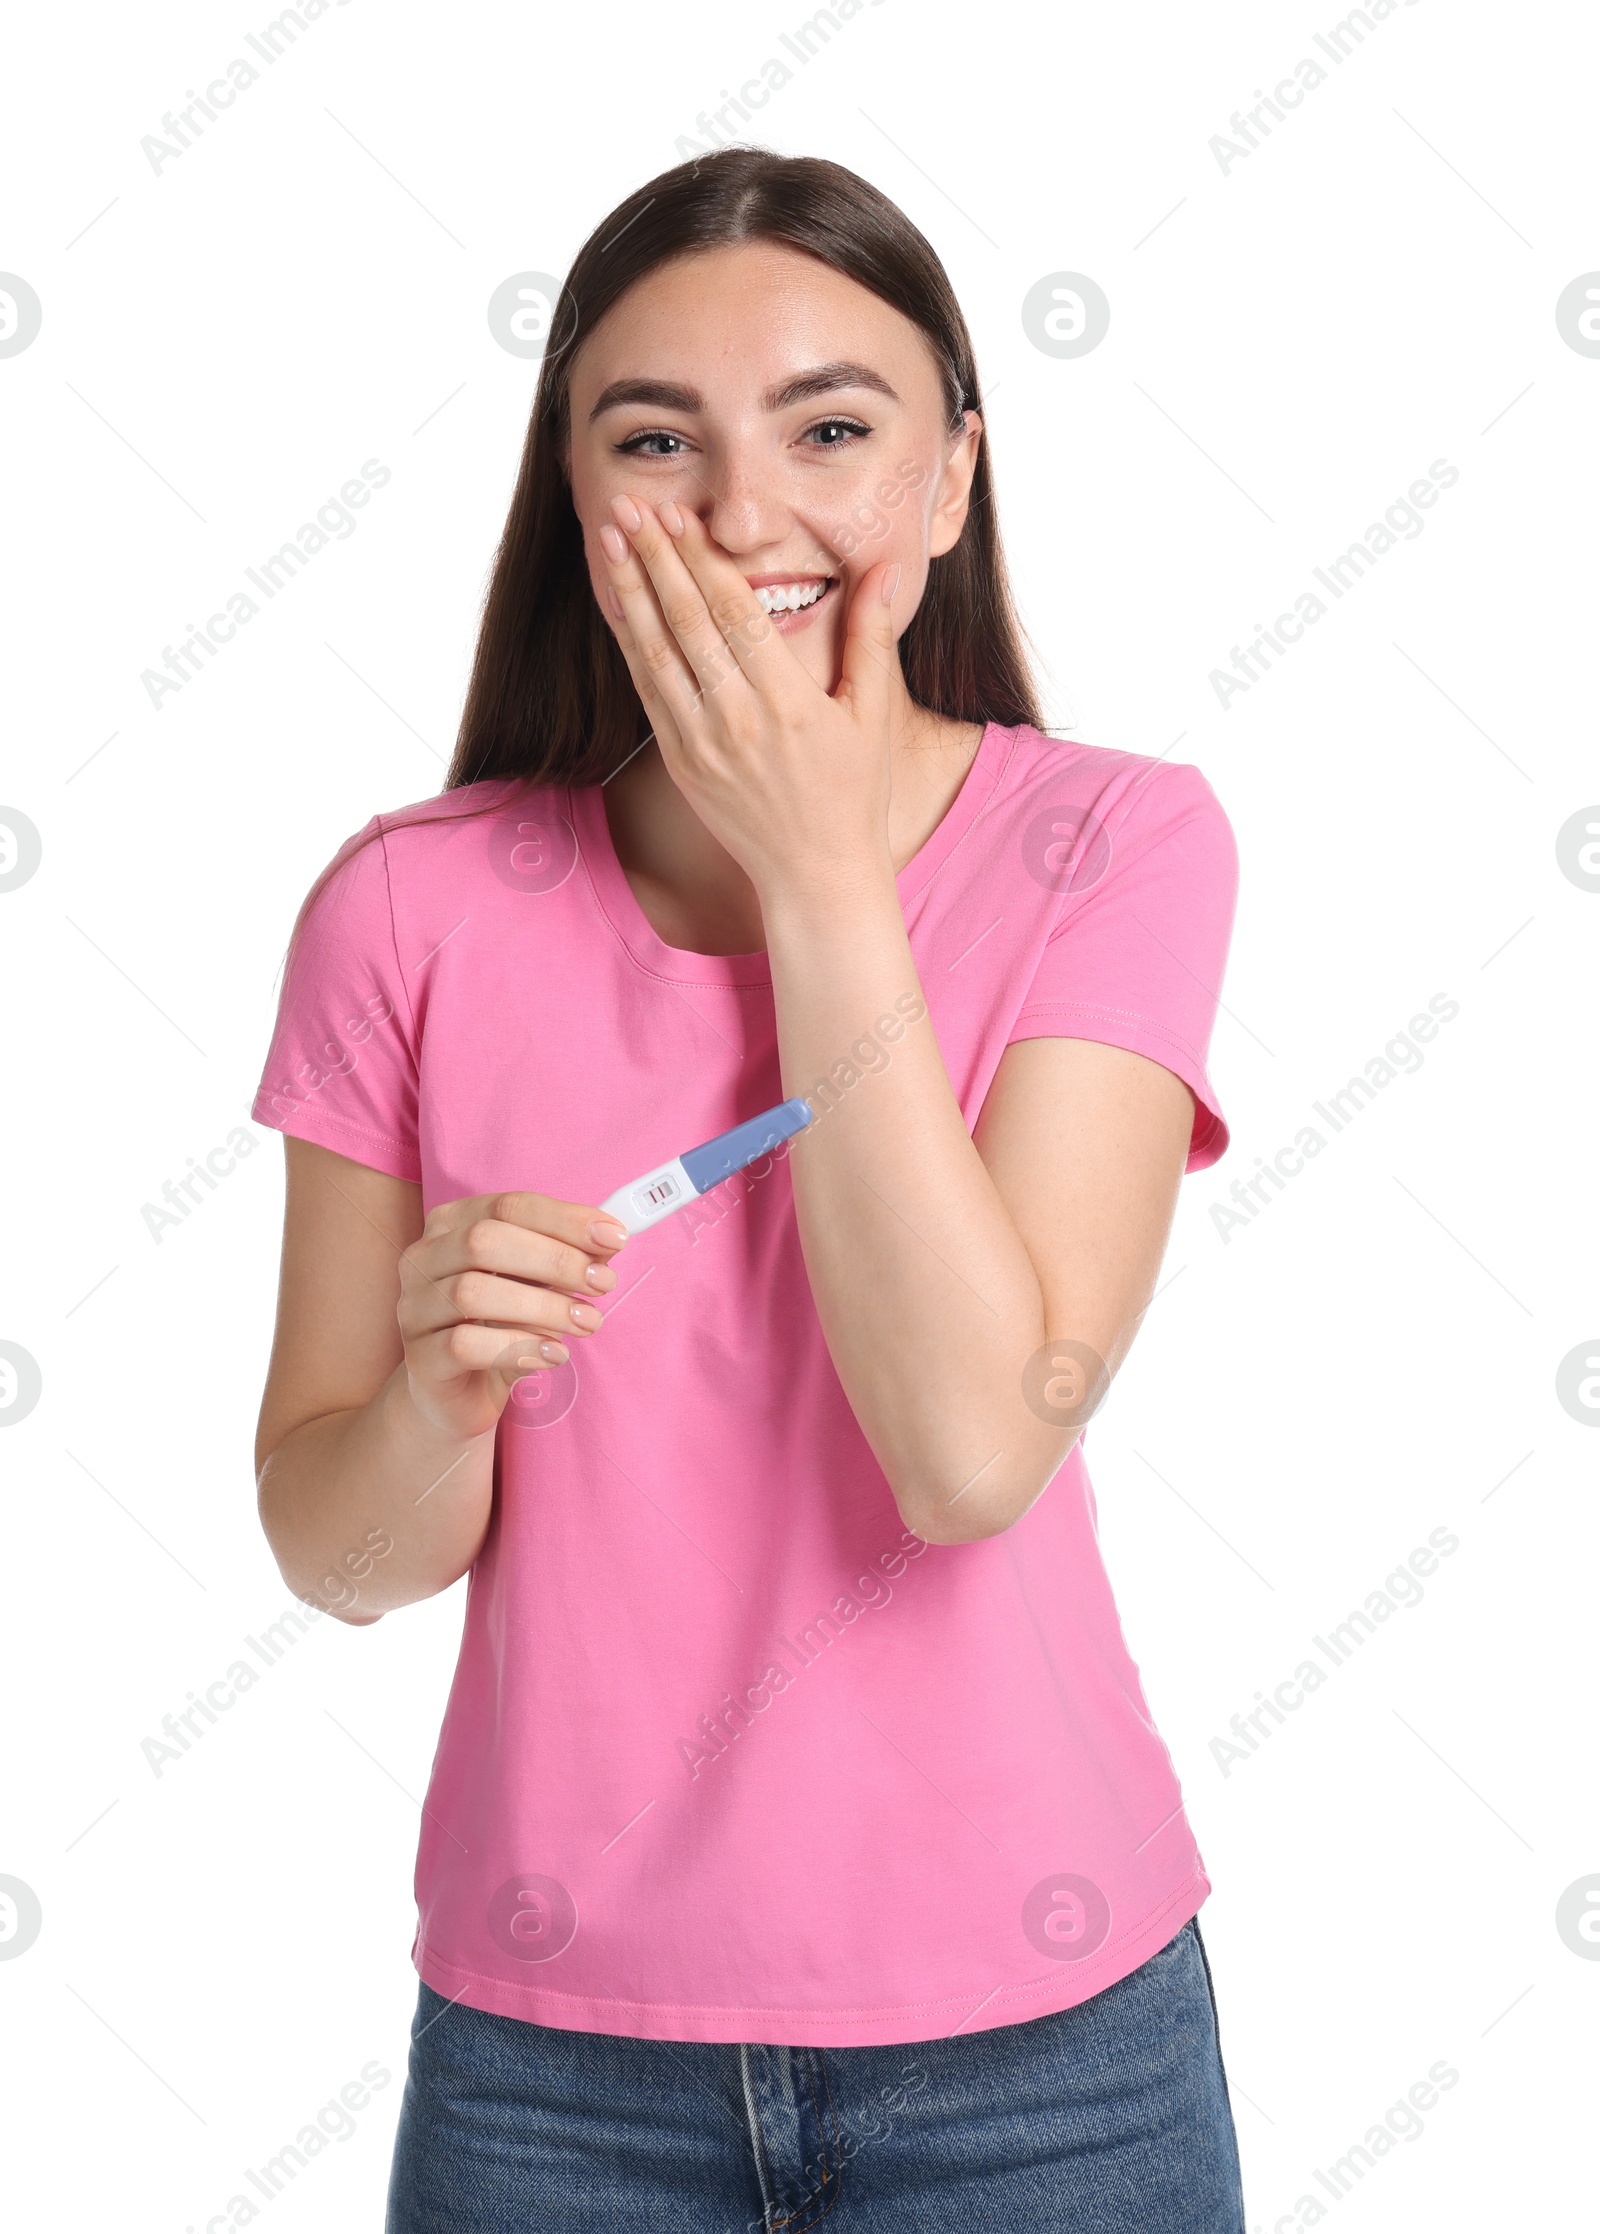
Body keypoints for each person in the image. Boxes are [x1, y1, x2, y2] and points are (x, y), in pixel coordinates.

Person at [252, 148, 1246, 2232]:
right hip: (550, 2074)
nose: (738, 512)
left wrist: (810, 869)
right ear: (571, 496)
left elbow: (973, 1443)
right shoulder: (405, 907)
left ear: (952, 477)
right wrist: (435, 1396)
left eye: (829, 429)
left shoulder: (1120, 848)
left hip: (1042, 2062)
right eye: (653, 440)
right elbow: (337, 1553)